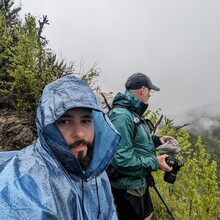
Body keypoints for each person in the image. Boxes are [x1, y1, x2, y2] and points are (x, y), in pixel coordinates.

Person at [0, 75, 121, 220]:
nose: (80, 134)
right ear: (47, 127)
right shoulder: (25, 186)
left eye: (86, 120)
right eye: (65, 121)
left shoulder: (95, 172)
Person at [108, 73, 173, 220]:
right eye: (150, 91)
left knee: (148, 216)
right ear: (143, 89)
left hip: (138, 182)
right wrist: (155, 162)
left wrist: (157, 140)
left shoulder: (133, 113)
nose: (150, 94)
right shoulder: (121, 116)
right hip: (127, 188)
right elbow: (122, 160)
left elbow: (134, 139)